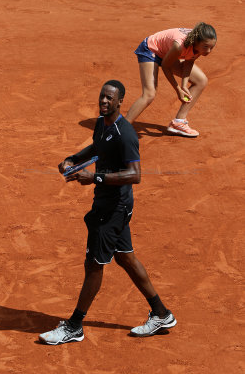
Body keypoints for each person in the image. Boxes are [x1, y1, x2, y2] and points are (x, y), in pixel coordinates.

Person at [39, 80, 176, 345]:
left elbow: (135, 175)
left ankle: (74, 326)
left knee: (93, 265)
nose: (103, 101)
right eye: (102, 96)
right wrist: (73, 159)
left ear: (120, 101)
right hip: (111, 205)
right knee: (126, 258)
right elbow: (97, 148)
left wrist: (95, 178)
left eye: (109, 98)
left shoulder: (126, 134)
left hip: (113, 208)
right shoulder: (102, 124)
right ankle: (161, 313)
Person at [125, 22, 217, 137]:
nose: (208, 51)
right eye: (206, 47)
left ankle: (179, 122)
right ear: (196, 41)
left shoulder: (200, 45)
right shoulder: (180, 45)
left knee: (201, 80)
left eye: (211, 47)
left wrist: (184, 85)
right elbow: (165, 66)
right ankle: (120, 129)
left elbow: (189, 61)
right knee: (149, 94)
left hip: (167, 53)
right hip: (151, 50)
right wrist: (178, 89)